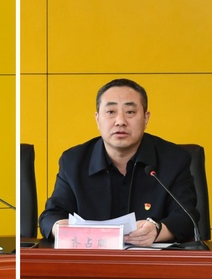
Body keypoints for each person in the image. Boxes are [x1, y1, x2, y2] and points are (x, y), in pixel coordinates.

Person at [39, 78, 198, 247]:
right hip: (90, 258)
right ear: (97, 119)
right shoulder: (73, 161)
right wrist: (61, 228)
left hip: (152, 259)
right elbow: (50, 216)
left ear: (146, 118)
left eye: (130, 112)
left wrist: (157, 230)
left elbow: (187, 217)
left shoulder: (174, 159)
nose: (120, 121)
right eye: (111, 112)